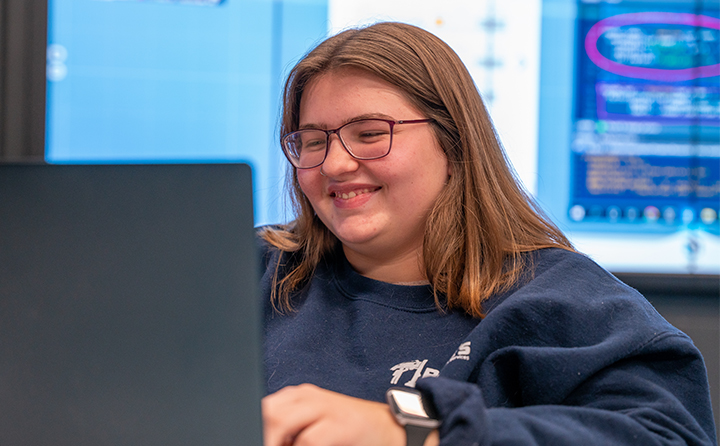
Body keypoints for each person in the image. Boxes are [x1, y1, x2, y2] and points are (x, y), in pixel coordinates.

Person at [258, 21, 717, 446]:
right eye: (313, 142)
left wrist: (416, 432)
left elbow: (669, 434)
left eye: (371, 134)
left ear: (454, 141)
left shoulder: (561, 303)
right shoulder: (251, 271)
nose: (336, 164)